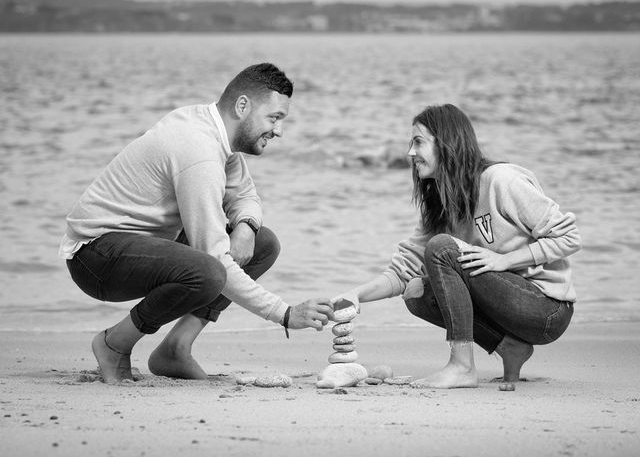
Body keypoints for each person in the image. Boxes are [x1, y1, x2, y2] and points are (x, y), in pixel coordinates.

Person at [60, 63, 333, 384]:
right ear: (242, 106)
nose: (279, 131)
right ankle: (113, 345)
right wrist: (285, 314)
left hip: (140, 248)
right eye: (274, 118)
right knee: (209, 271)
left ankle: (175, 349)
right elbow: (215, 258)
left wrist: (246, 226)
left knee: (263, 244)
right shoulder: (198, 151)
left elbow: (244, 193)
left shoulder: (211, 128)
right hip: (96, 257)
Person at [333, 103, 581, 389]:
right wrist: (356, 295)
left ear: (447, 143)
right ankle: (509, 347)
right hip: (507, 307)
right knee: (417, 292)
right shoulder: (441, 202)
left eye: (418, 142)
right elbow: (403, 270)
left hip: (547, 309)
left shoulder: (502, 180)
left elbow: (569, 237)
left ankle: (462, 367)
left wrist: (506, 259)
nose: (410, 153)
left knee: (442, 248)